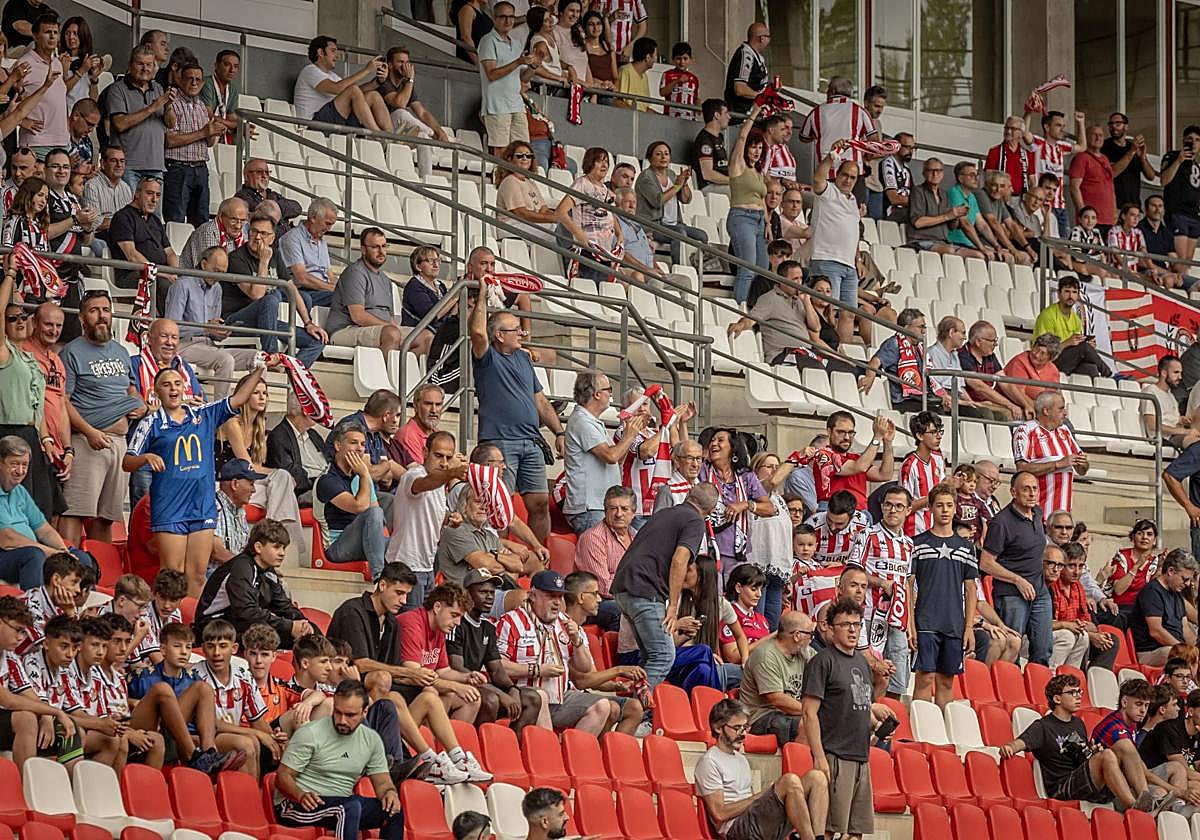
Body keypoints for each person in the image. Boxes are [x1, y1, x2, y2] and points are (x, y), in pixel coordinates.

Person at [124, 360, 269, 596]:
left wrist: (260, 370)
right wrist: (146, 457)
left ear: (185, 387)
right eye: (166, 384)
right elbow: (127, 462)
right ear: (156, 391)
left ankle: (191, 628)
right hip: (170, 505)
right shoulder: (151, 422)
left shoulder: (203, 414)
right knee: (172, 573)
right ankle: (166, 626)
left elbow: (239, 398)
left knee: (198, 573)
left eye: (177, 383)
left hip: (202, 503)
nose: (173, 389)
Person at [469, 268, 564, 543]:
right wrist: (484, 294)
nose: (522, 332)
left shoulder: (523, 358)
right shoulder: (486, 358)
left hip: (530, 441)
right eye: (515, 329)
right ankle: (497, 554)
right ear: (498, 335)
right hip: (499, 443)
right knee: (498, 506)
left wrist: (558, 432)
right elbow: (477, 331)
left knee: (539, 504)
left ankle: (537, 558)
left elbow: (540, 400)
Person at [58, 291, 145, 548]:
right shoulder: (72, 352)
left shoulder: (120, 352)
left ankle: (97, 572)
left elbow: (130, 387)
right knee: (75, 512)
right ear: (83, 317)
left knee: (107, 517)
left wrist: (137, 401)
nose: (101, 316)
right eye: (94, 311)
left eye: (105, 310)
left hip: (119, 443)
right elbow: (64, 401)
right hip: (87, 441)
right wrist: (89, 432)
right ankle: (67, 569)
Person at [1000, 673, 1160, 811]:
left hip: (1085, 780)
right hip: (1062, 787)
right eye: (1072, 692)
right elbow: (1019, 743)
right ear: (1057, 698)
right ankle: (1134, 807)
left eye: (1079, 691)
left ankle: (1144, 796)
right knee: (1107, 756)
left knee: (1122, 746)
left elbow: (1083, 756)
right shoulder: (1043, 726)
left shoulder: (1078, 723)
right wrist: (1009, 747)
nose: (1078, 696)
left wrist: (1093, 753)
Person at [612, 482, 717, 690]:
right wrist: (672, 607)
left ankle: (636, 708)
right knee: (663, 657)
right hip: (646, 590)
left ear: (688, 495)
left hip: (624, 586)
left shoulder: (664, 513)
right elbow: (680, 560)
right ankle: (634, 712)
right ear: (711, 510)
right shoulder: (695, 521)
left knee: (650, 657)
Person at [273, 680, 403, 840]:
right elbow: (282, 776)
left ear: (365, 712)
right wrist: (300, 795)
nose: (342, 720)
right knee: (348, 808)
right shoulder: (310, 733)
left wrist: (390, 794)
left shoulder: (371, 739)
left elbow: (383, 783)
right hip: (296, 805)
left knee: (393, 810)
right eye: (338, 712)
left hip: (342, 804)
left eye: (350, 715)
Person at [496, 570, 614, 734]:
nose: (557, 602)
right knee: (541, 696)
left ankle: (570, 755)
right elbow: (498, 666)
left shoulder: (565, 623)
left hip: (560, 697)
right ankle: (550, 751)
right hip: (524, 696)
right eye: (551, 596)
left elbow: (585, 668)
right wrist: (537, 670)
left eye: (560, 597)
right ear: (533, 595)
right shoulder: (511, 621)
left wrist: (577, 641)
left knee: (602, 706)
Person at [695, 696, 827, 840]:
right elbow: (719, 813)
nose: (744, 734)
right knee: (789, 781)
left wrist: (762, 798)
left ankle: (818, 837)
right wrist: (760, 796)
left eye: (745, 728)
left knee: (817, 778)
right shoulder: (709, 761)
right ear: (718, 728)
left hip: (754, 821)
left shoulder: (740, 759)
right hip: (736, 830)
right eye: (737, 728)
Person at [801, 598, 875, 840]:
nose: (853, 630)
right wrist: (820, 757)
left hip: (861, 756)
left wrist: (876, 725)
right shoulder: (822, 662)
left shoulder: (862, 663)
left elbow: (861, 703)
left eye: (857, 624)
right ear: (830, 628)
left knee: (856, 831)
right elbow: (809, 712)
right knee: (830, 827)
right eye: (845, 624)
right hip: (835, 754)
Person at [222, 211, 327, 369]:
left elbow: (291, 289)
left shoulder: (276, 255)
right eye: (254, 231)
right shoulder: (237, 258)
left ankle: (292, 374)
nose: (257, 237)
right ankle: (270, 356)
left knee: (317, 341)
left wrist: (309, 323)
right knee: (271, 298)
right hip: (237, 321)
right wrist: (263, 261)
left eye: (264, 233)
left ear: (272, 238)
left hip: (266, 323)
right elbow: (257, 295)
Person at [447, 568, 542, 730]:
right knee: (491, 700)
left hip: (479, 685)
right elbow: (458, 668)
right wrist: (500, 694)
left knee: (532, 698)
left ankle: (515, 751)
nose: (490, 597)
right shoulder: (457, 623)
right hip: (458, 684)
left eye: (492, 592)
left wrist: (511, 689)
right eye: (483, 592)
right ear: (467, 594)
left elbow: (497, 670)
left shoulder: (487, 627)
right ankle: (479, 749)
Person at [194, 518, 312, 648]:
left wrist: (303, 624)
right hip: (213, 626)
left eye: (284, 548)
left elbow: (283, 606)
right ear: (258, 547)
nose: (282, 553)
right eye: (276, 547)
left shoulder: (268, 570)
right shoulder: (241, 567)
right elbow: (246, 612)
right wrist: (289, 626)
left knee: (310, 635)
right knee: (268, 632)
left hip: (237, 622)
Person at [125, 317, 204, 509]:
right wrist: (182, 405)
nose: (170, 342)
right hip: (147, 457)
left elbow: (200, 406)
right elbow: (133, 408)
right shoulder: (134, 364)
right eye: (164, 336)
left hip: (180, 459)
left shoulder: (184, 369)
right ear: (149, 338)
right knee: (145, 516)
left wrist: (152, 409)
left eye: (174, 337)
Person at [385, 430, 468, 605]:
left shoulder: (439, 484)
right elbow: (423, 484)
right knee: (411, 625)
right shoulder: (414, 475)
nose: (444, 463)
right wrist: (452, 473)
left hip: (427, 567)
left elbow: (437, 513)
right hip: (406, 566)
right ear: (424, 453)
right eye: (438, 456)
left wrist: (452, 518)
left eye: (448, 457)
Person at [165, 246, 257, 399]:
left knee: (259, 359)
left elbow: (211, 330)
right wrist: (206, 328)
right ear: (203, 264)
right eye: (216, 271)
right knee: (225, 360)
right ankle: (220, 414)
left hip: (210, 346)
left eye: (223, 273)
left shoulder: (217, 288)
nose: (219, 276)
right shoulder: (182, 285)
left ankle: (252, 415)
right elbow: (171, 329)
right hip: (183, 346)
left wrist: (220, 332)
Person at [980, 472, 1051, 666]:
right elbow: (986, 563)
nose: (1032, 493)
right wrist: (1017, 580)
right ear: (1013, 492)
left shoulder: (1037, 512)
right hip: (1011, 593)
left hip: (1040, 590)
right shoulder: (1001, 523)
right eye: (1025, 489)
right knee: (1014, 646)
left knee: (1044, 647)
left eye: (1035, 488)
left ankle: (1040, 692)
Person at [562, 373, 645, 533]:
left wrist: (632, 432)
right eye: (609, 389)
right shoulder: (582, 421)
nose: (611, 394)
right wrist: (629, 435)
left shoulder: (592, 421)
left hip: (599, 506)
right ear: (597, 394)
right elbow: (611, 456)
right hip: (590, 508)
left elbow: (618, 457)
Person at [316, 423, 389, 581]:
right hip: (336, 546)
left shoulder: (360, 476)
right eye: (353, 443)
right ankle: (379, 578)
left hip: (364, 539)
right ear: (338, 445)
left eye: (363, 444)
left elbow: (379, 520)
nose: (360, 448)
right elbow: (361, 507)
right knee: (374, 513)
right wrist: (364, 474)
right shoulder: (327, 479)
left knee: (407, 546)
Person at [735, 610, 816, 748]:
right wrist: (811, 711)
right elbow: (777, 699)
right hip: (760, 717)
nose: (812, 639)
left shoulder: (804, 652)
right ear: (797, 636)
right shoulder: (766, 655)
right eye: (810, 635)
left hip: (789, 713)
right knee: (807, 724)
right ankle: (803, 767)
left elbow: (825, 668)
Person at [808, 142, 862, 344]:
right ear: (837, 175)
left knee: (848, 314)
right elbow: (817, 178)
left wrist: (857, 258)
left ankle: (843, 352)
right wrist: (831, 156)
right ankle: (826, 348)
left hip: (849, 265)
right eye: (845, 175)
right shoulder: (828, 190)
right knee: (827, 309)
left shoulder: (853, 200)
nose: (848, 180)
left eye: (852, 177)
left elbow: (854, 231)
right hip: (827, 258)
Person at [325, 228, 405, 355]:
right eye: (375, 247)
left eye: (384, 246)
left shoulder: (385, 280)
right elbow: (358, 316)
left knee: (425, 337)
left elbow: (388, 317)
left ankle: (406, 374)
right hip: (345, 330)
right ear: (363, 250)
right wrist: (390, 327)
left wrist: (394, 327)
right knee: (392, 333)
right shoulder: (355, 273)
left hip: (380, 329)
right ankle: (385, 374)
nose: (381, 251)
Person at [106, 45, 172, 192]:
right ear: (130, 65)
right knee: (129, 213)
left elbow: (170, 123)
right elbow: (120, 124)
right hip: (129, 166)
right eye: (140, 64)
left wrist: (168, 106)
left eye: (149, 64)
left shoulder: (159, 88)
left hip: (156, 166)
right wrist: (152, 108)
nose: (145, 69)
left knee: (154, 215)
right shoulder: (117, 89)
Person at [161, 61, 220, 227]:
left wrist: (214, 132)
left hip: (201, 167)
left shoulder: (202, 106)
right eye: (190, 78)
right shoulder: (172, 103)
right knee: (175, 220)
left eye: (198, 79)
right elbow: (170, 141)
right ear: (180, 79)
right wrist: (204, 133)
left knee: (201, 221)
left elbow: (208, 143)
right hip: (178, 168)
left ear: (202, 83)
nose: (194, 82)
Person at [555, 147, 623, 289]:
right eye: (599, 161)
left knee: (603, 290)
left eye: (606, 162)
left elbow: (609, 213)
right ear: (590, 162)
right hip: (587, 250)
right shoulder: (581, 184)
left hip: (605, 250)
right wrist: (579, 235)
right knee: (589, 290)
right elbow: (560, 212)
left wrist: (619, 233)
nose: (604, 165)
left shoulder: (605, 188)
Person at [1013, 390, 1088, 515]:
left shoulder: (1064, 430)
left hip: (1062, 513)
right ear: (1046, 411)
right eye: (1060, 409)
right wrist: (1058, 464)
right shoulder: (1025, 431)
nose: (1065, 413)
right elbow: (1021, 469)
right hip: (1036, 512)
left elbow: (1082, 470)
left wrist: (1083, 463)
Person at [572, 486, 635, 631]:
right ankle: (626, 654)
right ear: (605, 511)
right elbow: (604, 587)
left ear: (633, 512)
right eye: (613, 508)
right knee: (622, 611)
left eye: (624, 509)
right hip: (596, 601)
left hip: (628, 596)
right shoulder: (593, 538)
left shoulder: (637, 536)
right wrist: (636, 586)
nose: (619, 514)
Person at [293, 36, 388, 133]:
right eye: (333, 51)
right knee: (353, 90)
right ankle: (378, 135)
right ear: (320, 53)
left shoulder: (333, 76)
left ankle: (392, 138)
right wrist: (366, 70)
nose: (337, 56)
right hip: (312, 126)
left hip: (334, 121)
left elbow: (357, 93)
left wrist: (379, 81)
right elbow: (337, 89)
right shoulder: (310, 70)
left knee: (373, 95)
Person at [1049, 542, 1120, 671]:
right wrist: (1087, 633)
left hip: (1079, 634)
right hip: (1061, 637)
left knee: (1110, 641)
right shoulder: (1052, 586)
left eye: (1081, 566)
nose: (1077, 572)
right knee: (1079, 637)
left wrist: (1091, 633)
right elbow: (1052, 625)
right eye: (1071, 566)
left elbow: (1091, 625)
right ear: (1061, 566)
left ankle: (1092, 681)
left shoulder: (1078, 587)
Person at [477, 3, 536, 154]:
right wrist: (518, 62)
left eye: (511, 17)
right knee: (501, 153)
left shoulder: (516, 44)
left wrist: (534, 66)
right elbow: (491, 74)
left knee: (523, 152)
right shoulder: (487, 41)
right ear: (494, 18)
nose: (508, 21)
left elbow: (522, 78)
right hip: (496, 106)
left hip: (516, 104)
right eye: (503, 17)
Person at [634, 141, 706, 264]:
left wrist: (684, 183)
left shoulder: (671, 174)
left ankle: (697, 266)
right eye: (658, 154)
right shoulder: (645, 177)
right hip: (653, 225)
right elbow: (657, 201)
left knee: (702, 236)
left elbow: (686, 199)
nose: (663, 157)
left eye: (666, 154)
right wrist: (677, 185)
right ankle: (678, 267)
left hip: (675, 224)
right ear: (650, 158)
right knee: (679, 234)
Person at [811, 412, 895, 511]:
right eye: (841, 432)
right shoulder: (823, 455)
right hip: (833, 512)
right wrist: (877, 438)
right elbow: (859, 467)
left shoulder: (856, 458)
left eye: (850, 432)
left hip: (860, 514)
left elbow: (885, 475)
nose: (847, 437)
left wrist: (888, 442)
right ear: (829, 431)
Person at [906, 157, 985, 258]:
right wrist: (948, 216)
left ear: (943, 174)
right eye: (931, 171)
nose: (935, 174)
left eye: (938, 171)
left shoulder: (944, 194)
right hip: (921, 241)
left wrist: (956, 216)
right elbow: (918, 222)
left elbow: (952, 227)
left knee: (978, 256)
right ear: (924, 173)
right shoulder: (917, 191)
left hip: (942, 242)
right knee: (949, 251)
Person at [1131, 549, 1199, 666]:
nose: (1188, 584)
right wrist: (1185, 651)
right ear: (1171, 571)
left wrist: (1195, 651)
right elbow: (1156, 631)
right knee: (1174, 654)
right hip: (1152, 651)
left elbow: (1185, 629)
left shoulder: (1177, 593)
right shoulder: (1151, 592)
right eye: (1184, 579)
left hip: (1175, 647)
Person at [858, 308, 932, 412]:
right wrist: (870, 377)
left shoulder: (920, 348)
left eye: (924, 327)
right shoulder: (894, 344)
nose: (924, 331)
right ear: (906, 328)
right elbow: (875, 361)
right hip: (903, 400)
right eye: (920, 327)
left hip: (921, 397)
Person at [277, 197, 336, 310]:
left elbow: (330, 275)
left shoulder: (322, 242)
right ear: (313, 217)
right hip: (302, 290)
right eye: (327, 223)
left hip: (321, 291)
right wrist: (331, 288)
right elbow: (301, 278)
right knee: (342, 299)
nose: (329, 229)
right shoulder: (292, 238)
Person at [1159, 125, 1200, 276]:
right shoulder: (1172, 156)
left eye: (1197, 140)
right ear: (1183, 140)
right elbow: (1163, 180)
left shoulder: (1197, 166)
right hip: (1177, 212)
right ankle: (1177, 284)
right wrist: (1179, 161)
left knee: (1188, 260)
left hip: (1194, 214)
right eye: (1190, 139)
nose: (1193, 143)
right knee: (1180, 259)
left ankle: (1181, 282)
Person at [266, 404, 326, 502]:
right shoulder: (278, 436)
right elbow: (290, 473)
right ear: (305, 410)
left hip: (327, 485)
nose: (321, 411)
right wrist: (319, 483)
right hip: (306, 491)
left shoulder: (314, 435)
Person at [1069, 124, 1117, 231]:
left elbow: (1110, 187)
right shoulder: (1081, 158)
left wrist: (1114, 211)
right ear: (1086, 137)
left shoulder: (1105, 158)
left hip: (1108, 219)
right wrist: (1083, 213)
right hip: (1090, 220)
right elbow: (1074, 188)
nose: (1098, 138)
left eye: (1100, 135)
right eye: (1094, 135)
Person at [233, 159, 302, 234]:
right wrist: (279, 210)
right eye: (259, 172)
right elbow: (265, 215)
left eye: (267, 172)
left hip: (286, 238)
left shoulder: (272, 194)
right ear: (246, 176)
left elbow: (297, 208)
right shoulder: (242, 197)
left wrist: (276, 207)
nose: (264, 175)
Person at [1103, 113, 1155, 209]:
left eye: (1118, 124)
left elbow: (1151, 176)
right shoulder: (1105, 147)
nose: (1114, 126)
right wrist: (1132, 151)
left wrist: (1142, 157)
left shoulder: (1132, 146)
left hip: (1134, 205)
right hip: (1115, 206)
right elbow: (1112, 172)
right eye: (1111, 124)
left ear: (1126, 127)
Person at [1142, 356, 1191, 447]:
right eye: (1176, 372)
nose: (1180, 377)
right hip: (1162, 439)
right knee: (1195, 441)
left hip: (1175, 436)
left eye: (1181, 373)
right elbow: (1152, 425)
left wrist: (1181, 420)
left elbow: (1169, 418)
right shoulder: (1151, 392)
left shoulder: (1171, 395)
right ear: (1164, 373)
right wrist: (1182, 431)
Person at [694, 98, 730, 194]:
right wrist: (732, 181)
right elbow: (708, 174)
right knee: (739, 192)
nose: (729, 117)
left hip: (724, 184)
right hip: (709, 186)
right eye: (726, 113)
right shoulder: (704, 140)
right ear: (716, 115)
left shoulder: (720, 137)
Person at [616, 37, 655, 111]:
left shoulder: (644, 76)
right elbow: (618, 101)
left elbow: (645, 108)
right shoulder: (625, 71)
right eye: (655, 56)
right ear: (648, 57)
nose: (655, 59)